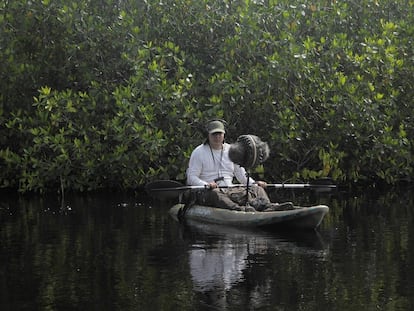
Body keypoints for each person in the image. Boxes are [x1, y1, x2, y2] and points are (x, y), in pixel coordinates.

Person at [186, 119, 293, 212]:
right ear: (208, 135)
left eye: (220, 133)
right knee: (215, 193)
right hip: (208, 191)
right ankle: (239, 210)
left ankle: (268, 207)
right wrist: (206, 185)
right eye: (214, 134)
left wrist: (254, 183)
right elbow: (191, 178)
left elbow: (241, 175)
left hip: (230, 189)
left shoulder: (232, 150)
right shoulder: (198, 152)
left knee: (257, 189)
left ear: (224, 134)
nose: (217, 136)